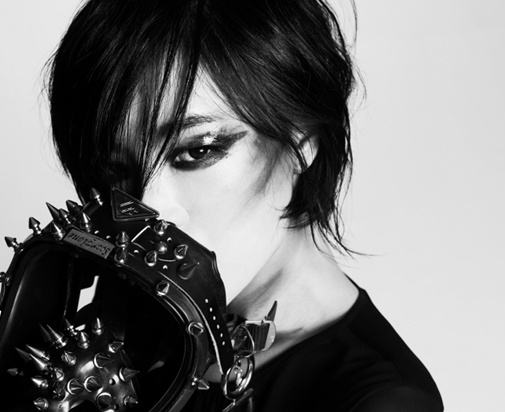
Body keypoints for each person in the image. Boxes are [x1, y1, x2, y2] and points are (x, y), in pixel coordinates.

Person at [47, 0, 444, 411]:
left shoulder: (380, 400)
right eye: (116, 170)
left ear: (302, 140)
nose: (151, 209)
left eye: (198, 151)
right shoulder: (115, 330)